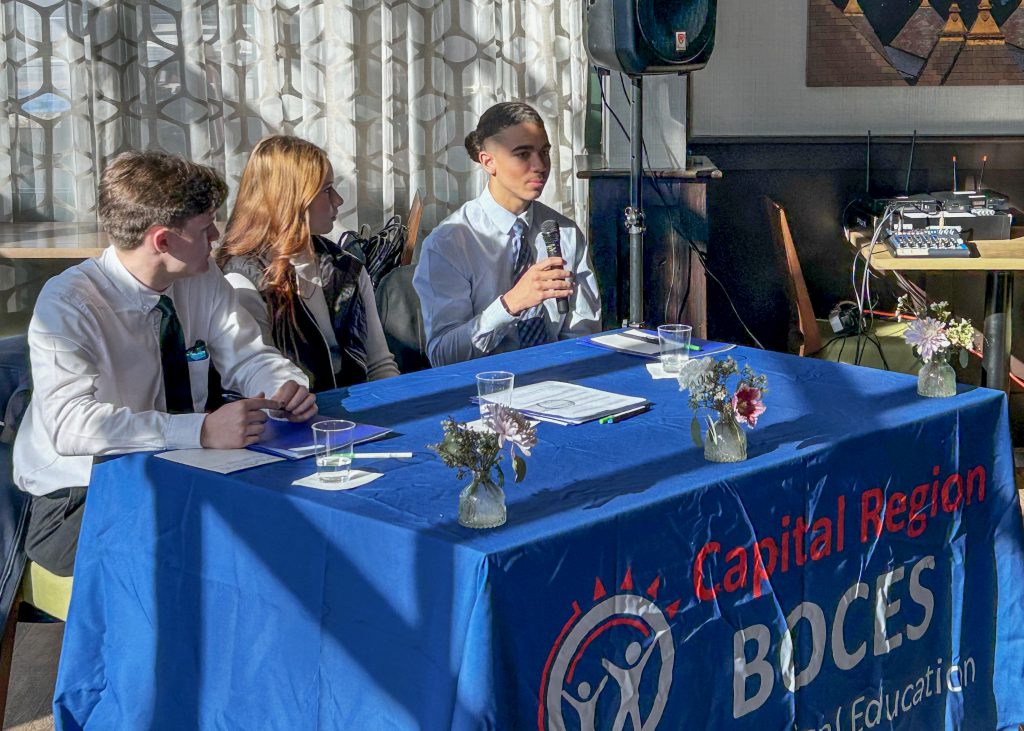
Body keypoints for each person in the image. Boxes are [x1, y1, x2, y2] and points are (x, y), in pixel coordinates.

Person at [13, 151, 317, 577]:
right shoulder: (69, 303)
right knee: (220, 548)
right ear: (162, 241)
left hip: (178, 467)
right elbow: (71, 425)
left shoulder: (201, 276)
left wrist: (284, 384)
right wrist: (202, 430)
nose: (217, 234)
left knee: (289, 517)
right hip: (79, 496)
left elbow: (247, 354)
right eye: (205, 225)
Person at [412, 101, 601, 367]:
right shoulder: (449, 242)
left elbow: (584, 334)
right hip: (483, 389)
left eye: (544, 152)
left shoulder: (565, 233)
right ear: (488, 162)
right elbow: (443, 355)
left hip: (560, 381)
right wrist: (510, 305)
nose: (540, 166)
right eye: (523, 154)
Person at [216, 135, 399, 391]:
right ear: (288, 199)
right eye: (326, 190)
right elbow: (257, 380)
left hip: (362, 415)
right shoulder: (243, 280)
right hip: (294, 420)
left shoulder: (346, 267)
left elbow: (379, 364)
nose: (338, 200)